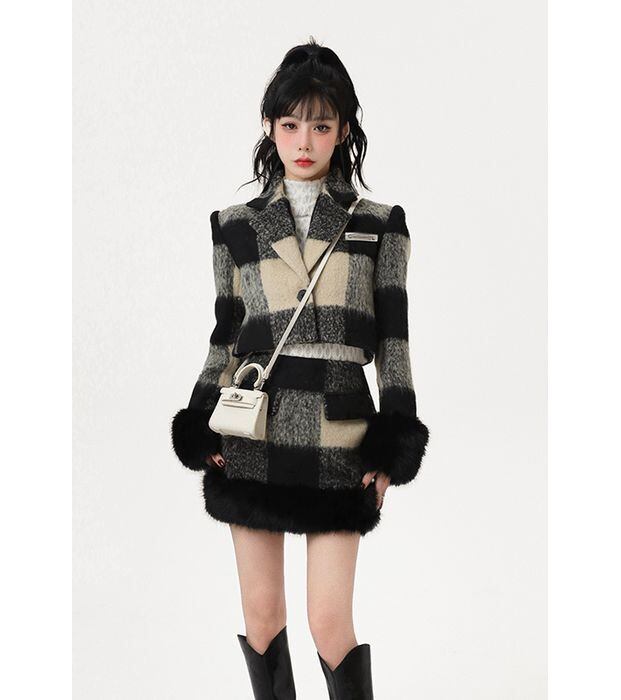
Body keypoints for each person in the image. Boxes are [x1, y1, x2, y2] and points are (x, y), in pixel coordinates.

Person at [171, 38, 429, 700]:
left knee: (328, 621)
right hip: (254, 431)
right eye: (290, 124)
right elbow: (226, 337)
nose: (304, 141)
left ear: (343, 129)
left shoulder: (379, 225)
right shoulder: (234, 226)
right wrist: (201, 422)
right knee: (262, 617)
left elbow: (393, 345)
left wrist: (392, 441)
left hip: (341, 436)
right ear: (269, 127)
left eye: (320, 124)